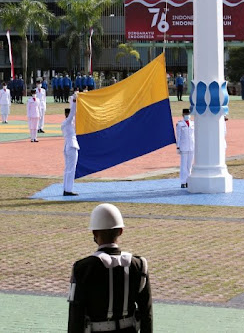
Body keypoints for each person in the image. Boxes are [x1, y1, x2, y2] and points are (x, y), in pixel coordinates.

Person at [67, 203, 153, 333]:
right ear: (120, 231)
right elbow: (147, 314)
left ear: (94, 232)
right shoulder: (139, 265)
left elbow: (76, 317)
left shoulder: (83, 268)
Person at [62, 97, 79, 196]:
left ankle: (66, 188)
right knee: (71, 169)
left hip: (67, 146)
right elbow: (72, 113)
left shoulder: (65, 123)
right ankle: (68, 190)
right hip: (72, 146)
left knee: (67, 169)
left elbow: (72, 115)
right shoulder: (67, 122)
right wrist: (74, 103)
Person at [176, 108, 194, 188]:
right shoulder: (180, 124)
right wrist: (178, 146)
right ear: (183, 115)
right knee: (183, 165)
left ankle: (188, 181)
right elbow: (178, 136)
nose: (187, 116)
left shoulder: (193, 123)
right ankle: (183, 181)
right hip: (183, 146)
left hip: (192, 146)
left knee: (189, 165)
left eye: (188, 114)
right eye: (186, 114)